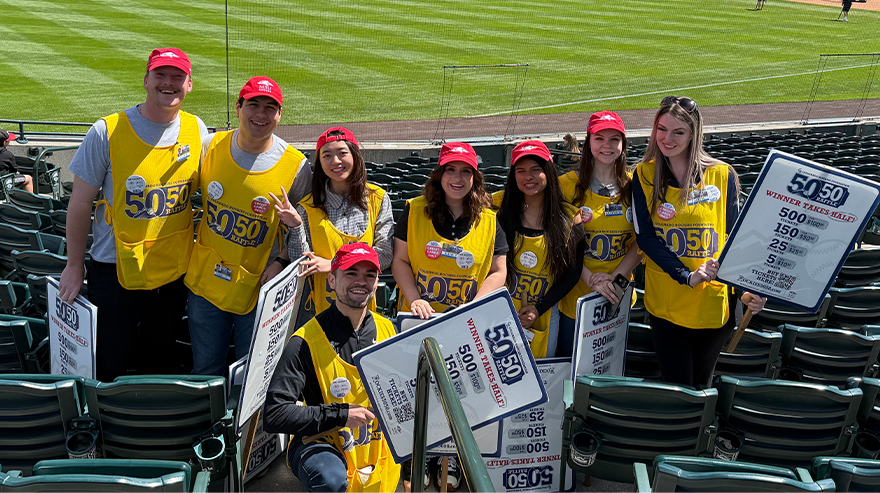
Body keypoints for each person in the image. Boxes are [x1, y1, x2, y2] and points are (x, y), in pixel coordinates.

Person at [59, 48, 211, 381]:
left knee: (159, 360)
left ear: (189, 85)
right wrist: (74, 265)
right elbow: (81, 202)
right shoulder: (106, 131)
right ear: (146, 80)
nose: (168, 83)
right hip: (113, 267)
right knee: (109, 361)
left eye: (177, 77)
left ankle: (149, 426)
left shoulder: (196, 129)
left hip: (170, 270)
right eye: (160, 75)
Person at [390, 141, 507, 490]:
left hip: (463, 323)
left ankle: (450, 460)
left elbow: (499, 271)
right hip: (418, 320)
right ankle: (418, 459)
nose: (457, 178)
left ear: (476, 176)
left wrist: (474, 304)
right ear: (439, 174)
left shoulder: (489, 219)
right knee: (417, 393)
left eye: (466, 171)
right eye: (451, 170)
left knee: (460, 392)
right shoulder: (413, 210)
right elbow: (400, 261)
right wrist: (413, 298)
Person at [632, 96, 766, 388]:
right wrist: (685, 276)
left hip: (713, 303)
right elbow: (647, 238)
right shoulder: (643, 175)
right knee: (677, 386)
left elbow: (735, 239)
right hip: (668, 302)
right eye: (662, 129)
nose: (668, 139)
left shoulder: (723, 174)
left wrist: (746, 291)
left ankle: (698, 435)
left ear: (694, 133)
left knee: (702, 384)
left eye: (678, 132)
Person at [184, 76, 311, 376]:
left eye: (270, 107)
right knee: (205, 368)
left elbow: (301, 226)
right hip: (206, 282)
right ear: (239, 107)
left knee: (252, 374)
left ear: (280, 115)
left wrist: (282, 261)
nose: (261, 114)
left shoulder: (296, 165)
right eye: (253, 104)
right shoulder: (209, 146)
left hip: (261, 287)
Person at [263, 243, 400, 492]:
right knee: (330, 479)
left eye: (369, 275)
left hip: (375, 443)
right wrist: (341, 414)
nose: (361, 281)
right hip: (322, 441)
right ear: (332, 281)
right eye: (351, 273)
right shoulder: (304, 341)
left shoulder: (389, 330)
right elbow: (274, 415)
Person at [280, 127, 393, 320]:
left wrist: (333, 265)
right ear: (319, 162)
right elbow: (301, 262)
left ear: (355, 156)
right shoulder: (307, 207)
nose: (336, 161)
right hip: (320, 309)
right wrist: (296, 226)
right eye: (327, 155)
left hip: (364, 308)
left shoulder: (378, 199)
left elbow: (385, 254)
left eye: (342, 153)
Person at [557, 111, 643, 358]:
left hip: (617, 296)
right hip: (575, 297)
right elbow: (558, 244)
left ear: (623, 144)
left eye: (614, 139)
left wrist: (615, 278)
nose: (607, 146)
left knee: (608, 368)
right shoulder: (565, 185)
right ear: (588, 142)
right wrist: (590, 278)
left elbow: (641, 242)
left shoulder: (635, 187)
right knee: (570, 368)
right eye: (599, 139)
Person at [496, 140, 584, 359]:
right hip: (500, 311)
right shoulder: (499, 212)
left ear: (549, 172)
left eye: (536, 170)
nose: (529, 177)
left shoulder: (570, 217)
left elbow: (572, 273)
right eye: (521, 171)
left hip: (544, 314)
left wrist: (538, 309)